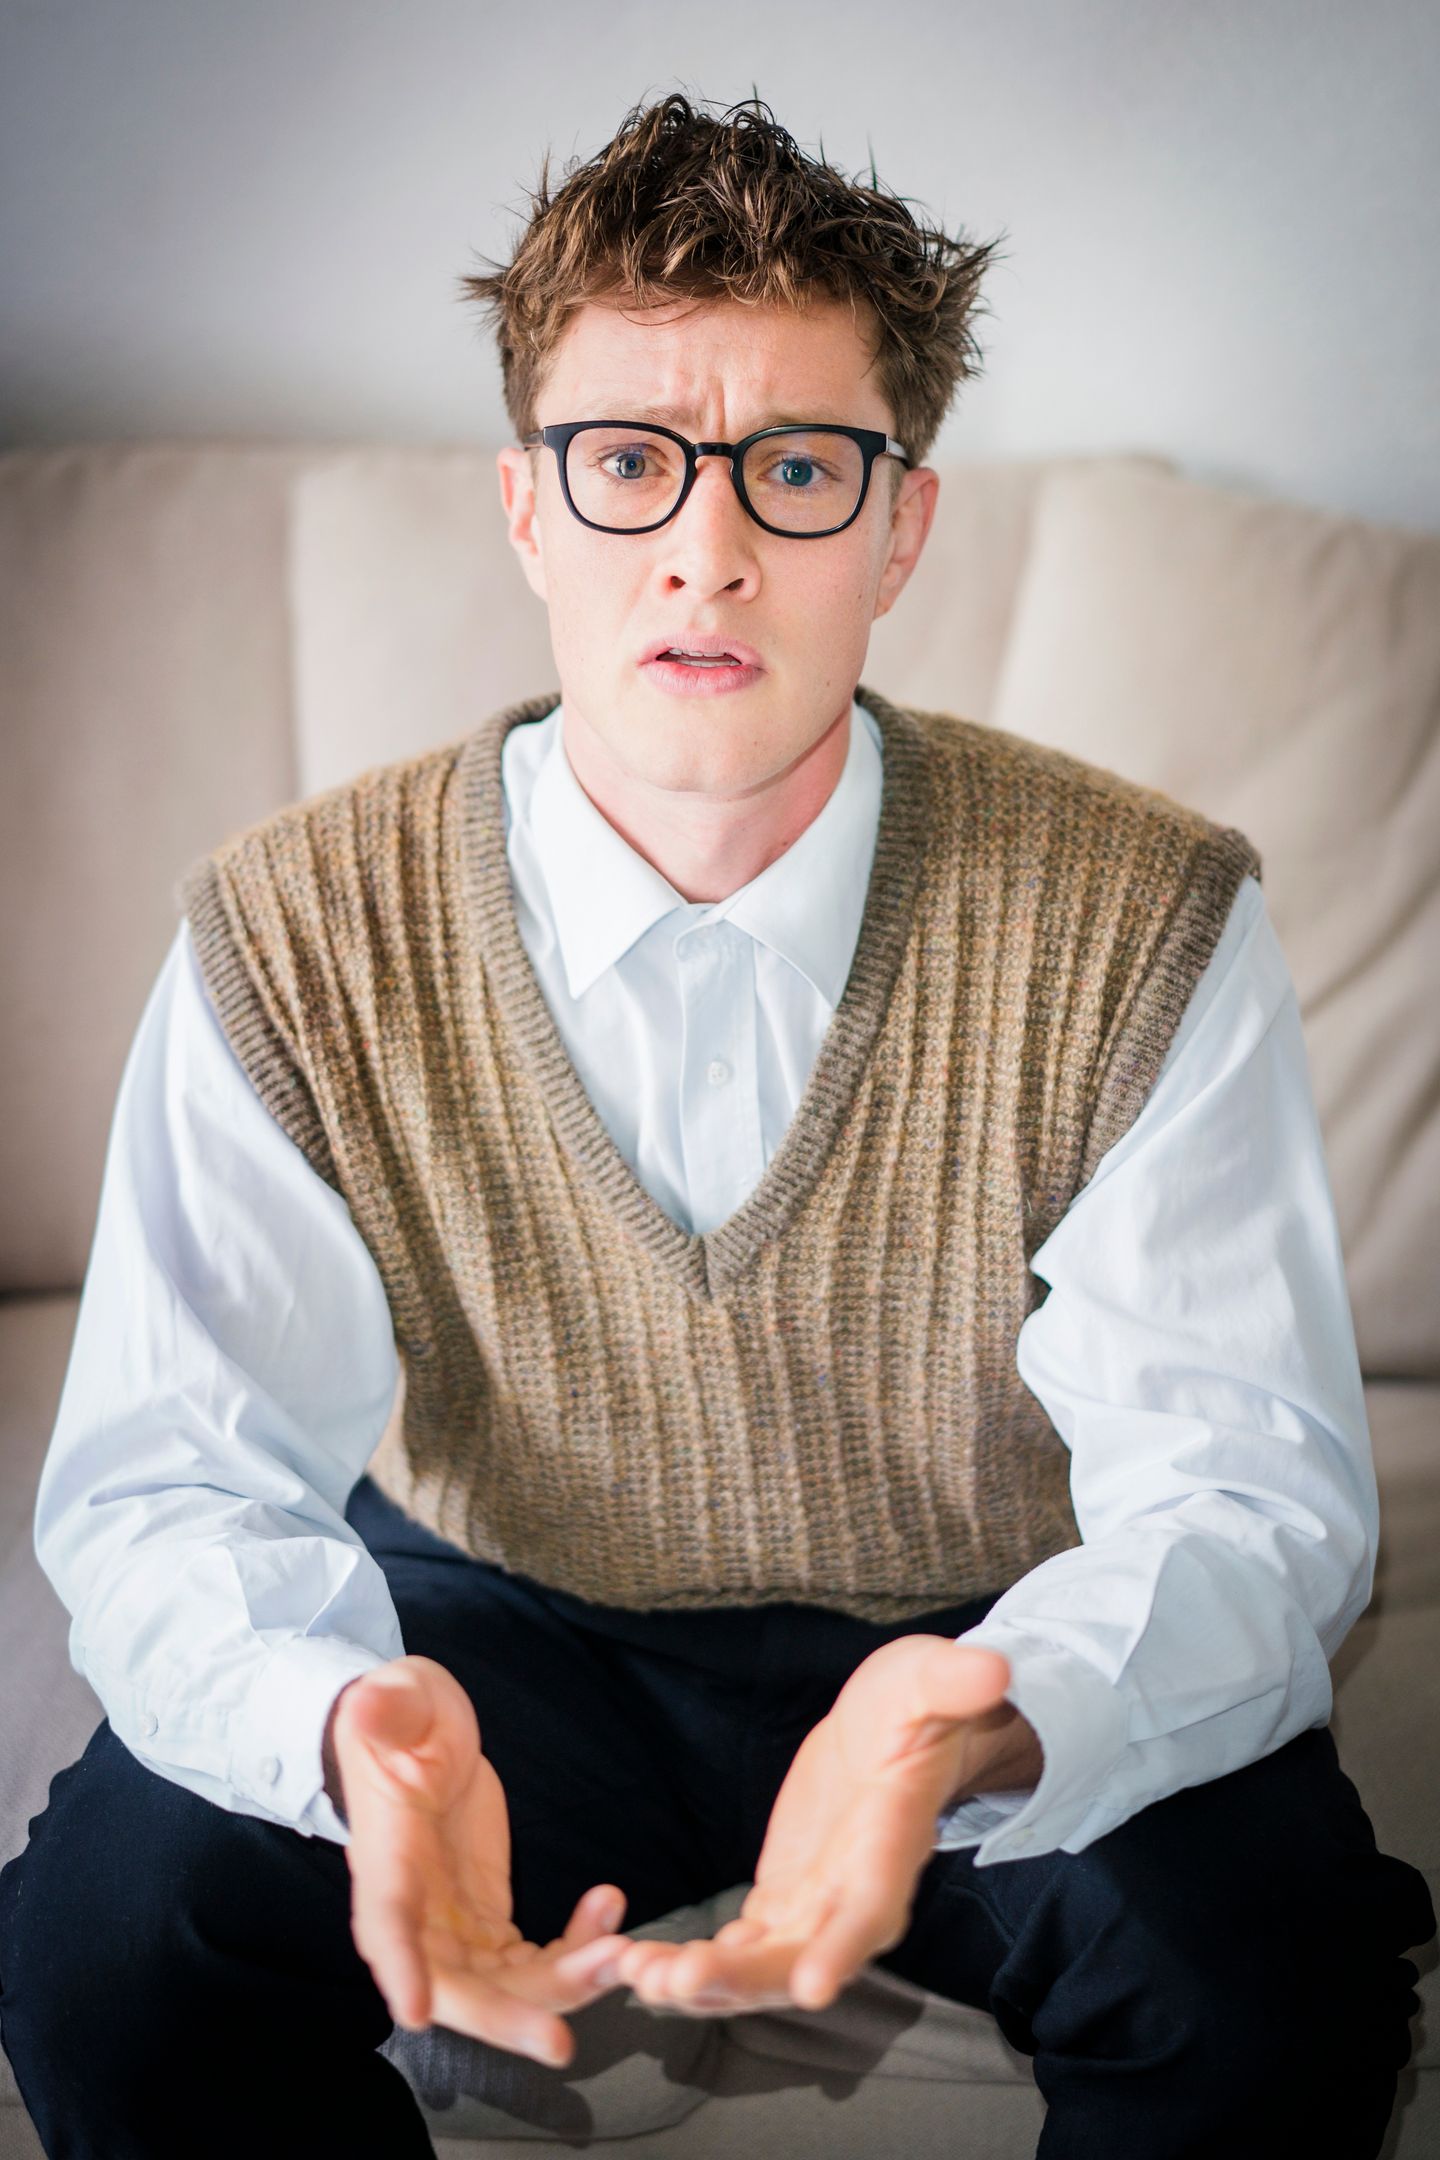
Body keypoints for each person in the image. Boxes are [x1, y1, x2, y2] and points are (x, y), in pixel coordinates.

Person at [1, 88, 1433, 2160]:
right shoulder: (298, 933)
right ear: (526, 509)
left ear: (900, 529)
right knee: (113, 1952)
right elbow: (168, 1487)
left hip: (982, 1631)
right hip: (500, 1618)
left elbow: (1248, 1494)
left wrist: (974, 1719)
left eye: (798, 467)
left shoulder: (1139, 918)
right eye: (627, 462)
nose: (707, 547)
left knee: (1272, 1983)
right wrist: (346, 1725)